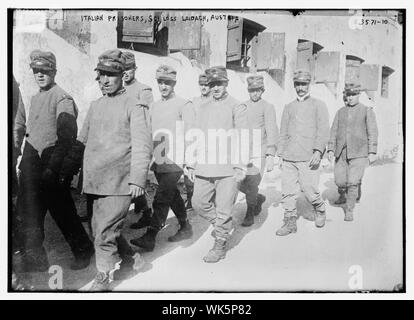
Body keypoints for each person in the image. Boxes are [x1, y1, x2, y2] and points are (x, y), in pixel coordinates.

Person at [72, 49, 152, 290]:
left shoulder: (135, 105)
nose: (104, 80)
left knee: (105, 231)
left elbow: (143, 146)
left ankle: (104, 276)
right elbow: (82, 141)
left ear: (122, 75)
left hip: (120, 181)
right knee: (98, 230)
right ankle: (131, 259)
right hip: (95, 180)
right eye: (101, 75)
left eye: (110, 75)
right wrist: (69, 170)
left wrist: (138, 180)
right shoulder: (95, 106)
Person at [14, 50, 94, 272]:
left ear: (54, 72)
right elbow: (33, 131)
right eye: (36, 71)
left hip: (51, 162)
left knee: (63, 212)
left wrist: (54, 169)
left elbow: (66, 137)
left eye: (45, 71)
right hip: (32, 160)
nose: (40, 75)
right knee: (30, 212)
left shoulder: (62, 97)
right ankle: (36, 259)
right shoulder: (35, 97)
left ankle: (84, 250)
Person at [130, 65, 194, 252]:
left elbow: (191, 133)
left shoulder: (184, 104)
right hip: (159, 159)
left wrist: (190, 161)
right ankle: (185, 227)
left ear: (174, 83)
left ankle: (150, 236)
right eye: (160, 82)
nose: (164, 86)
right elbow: (150, 132)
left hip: (175, 159)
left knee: (161, 197)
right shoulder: (155, 106)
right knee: (172, 195)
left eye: (168, 82)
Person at [188, 66, 248, 263]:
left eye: (219, 84)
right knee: (198, 203)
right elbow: (196, 135)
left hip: (227, 169)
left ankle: (220, 243)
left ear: (226, 84)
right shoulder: (202, 107)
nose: (215, 88)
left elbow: (243, 137)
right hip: (205, 166)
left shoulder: (236, 106)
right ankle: (222, 225)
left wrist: (240, 165)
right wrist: (191, 163)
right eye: (211, 84)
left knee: (223, 207)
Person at [276, 69, 329, 236]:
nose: (301, 87)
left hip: (308, 156)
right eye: (298, 84)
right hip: (289, 157)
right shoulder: (289, 107)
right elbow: (283, 131)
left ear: (309, 85)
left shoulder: (318, 105)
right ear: (294, 86)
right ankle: (290, 222)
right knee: (287, 191)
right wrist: (280, 154)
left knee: (309, 190)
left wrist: (318, 152)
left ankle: (320, 209)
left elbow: (323, 131)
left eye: (304, 84)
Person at [327, 83, 378, 221]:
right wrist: (331, 149)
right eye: (348, 95)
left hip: (359, 152)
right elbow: (333, 131)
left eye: (353, 94)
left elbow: (373, 132)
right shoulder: (340, 112)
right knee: (340, 181)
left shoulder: (366, 110)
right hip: (342, 152)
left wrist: (372, 151)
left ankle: (349, 209)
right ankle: (343, 194)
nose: (350, 98)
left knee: (352, 181)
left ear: (359, 95)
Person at [239, 75, 279, 227]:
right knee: (236, 182)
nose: (254, 93)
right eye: (251, 90)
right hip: (243, 152)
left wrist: (270, 154)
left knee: (252, 183)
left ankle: (249, 213)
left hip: (259, 152)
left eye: (257, 90)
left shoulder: (267, 107)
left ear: (262, 90)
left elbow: (272, 130)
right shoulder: (242, 106)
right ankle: (258, 198)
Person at [122, 51, 155, 229]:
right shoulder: (118, 88)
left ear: (135, 69)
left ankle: (146, 212)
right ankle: (143, 209)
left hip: (136, 142)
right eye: (123, 69)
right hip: (122, 141)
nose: (125, 72)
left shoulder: (144, 90)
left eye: (129, 69)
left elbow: (147, 119)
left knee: (135, 177)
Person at [184, 73, 211, 210]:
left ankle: (209, 199)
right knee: (189, 171)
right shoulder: (193, 101)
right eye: (201, 85)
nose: (204, 87)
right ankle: (190, 198)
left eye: (206, 85)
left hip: (209, 141)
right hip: (194, 140)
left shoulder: (214, 101)